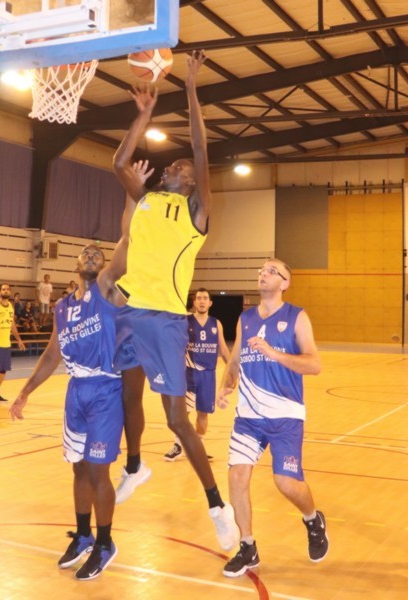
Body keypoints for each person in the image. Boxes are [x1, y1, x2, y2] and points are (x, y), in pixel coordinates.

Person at [111, 50, 237, 551]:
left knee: (176, 420)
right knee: (127, 397)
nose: (172, 166)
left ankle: (217, 505)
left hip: (164, 319)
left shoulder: (196, 213)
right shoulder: (147, 199)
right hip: (129, 311)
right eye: (173, 164)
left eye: (179, 166)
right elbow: (119, 163)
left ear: (191, 182)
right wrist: (142, 116)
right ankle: (134, 466)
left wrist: (189, 88)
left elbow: (202, 150)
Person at [9, 161, 146, 581]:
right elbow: (52, 355)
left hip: (105, 391)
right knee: (77, 467)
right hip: (75, 393)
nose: (92, 256)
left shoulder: (106, 289)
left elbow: (127, 241)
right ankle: (84, 534)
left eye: (97, 255)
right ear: (74, 264)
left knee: (98, 469)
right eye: (85, 253)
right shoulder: (63, 307)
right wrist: (25, 391)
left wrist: (132, 192)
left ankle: (105, 542)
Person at [218, 259, 329, 577]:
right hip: (248, 417)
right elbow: (235, 360)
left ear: (284, 283)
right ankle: (248, 546)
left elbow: (314, 364)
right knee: (237, 476)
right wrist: (225, 386)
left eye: (271, 271)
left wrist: (274, 353)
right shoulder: (246, 319)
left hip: (285, 415)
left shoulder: (297, 317)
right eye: (261, 271)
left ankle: (312, 519)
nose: (263, 274)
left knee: (286, 482)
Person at [164, 288, 229, 462]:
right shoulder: (185, 321)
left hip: (208, 375)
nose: (201, 301)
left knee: (203, 413)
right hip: (188, 373)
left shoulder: (216, 324)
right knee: (183, 412)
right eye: (198, 298)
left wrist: (233, 370)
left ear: (210, 303)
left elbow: (223, 349)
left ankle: (198, 448)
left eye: (205, 298)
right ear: (194, 302)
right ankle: (178, 446)